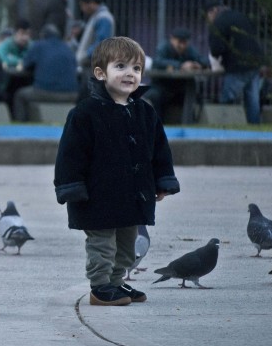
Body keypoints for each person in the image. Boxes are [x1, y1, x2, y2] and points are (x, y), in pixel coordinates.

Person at [54, 36, 180, 306]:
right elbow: (70, 155)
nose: (129, 74)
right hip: (97, 196)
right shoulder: (85, 113)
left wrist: (162, 181)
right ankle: (100, 287)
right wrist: (72, 186)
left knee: (126, 245)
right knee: (102, 244)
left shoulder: (145, 112)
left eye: (136, 69)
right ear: (101, 73)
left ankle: (116, 281)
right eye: (120, 66)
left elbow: (159, 150)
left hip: (132, 195)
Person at [204, 0, 265, 124]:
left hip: (237, 65)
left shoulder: (219, 22)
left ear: (213, 11)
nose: (208, 20)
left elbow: (216, 49)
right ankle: (255, 126)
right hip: (254, 62)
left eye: (208, 15)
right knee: (252, 99)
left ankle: (224, 124)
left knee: (227, 98)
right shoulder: (241, 16)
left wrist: (218, 60)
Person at [12, 24, 79, 122]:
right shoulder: (68, 48)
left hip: (45, 92)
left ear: (42, 35)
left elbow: (25, 66)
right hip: (72, 94)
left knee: (20, 95)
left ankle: (21, 125)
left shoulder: (39, 45)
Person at [144, 27, 209, 119]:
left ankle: (189, 121)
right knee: (155, 96)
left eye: (185, 42)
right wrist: (181, 65)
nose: (182, 46)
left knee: (191, 93)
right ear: (172, 39)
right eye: (180, 42)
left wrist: (197, 64)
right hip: (162, 86)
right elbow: (158, 62)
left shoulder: (189, 50)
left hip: (180, 87)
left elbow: (203, 60)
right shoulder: (164, 47)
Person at [73, 0, 115, 102]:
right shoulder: (97, 17)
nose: (82, 9)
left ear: (91, 3)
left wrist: (85, 55)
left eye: (82, 5)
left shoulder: (103, 18)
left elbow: (101, 43)